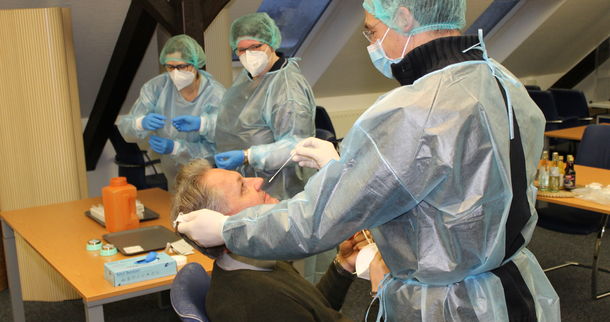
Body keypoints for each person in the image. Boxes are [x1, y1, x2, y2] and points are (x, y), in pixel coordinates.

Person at [177, 1, 561, 321]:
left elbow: (314, 223)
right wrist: (346, 171)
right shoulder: (500, 81)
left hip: (450, 305)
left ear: (405, 17)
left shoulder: (412, 110)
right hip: (508, 286)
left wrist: (229, 229)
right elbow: (459, 193)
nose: (370, 43)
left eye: (372, 30)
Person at [171, 159, 372, 322]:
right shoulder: (255, 303)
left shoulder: (257, 261)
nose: (257, 182)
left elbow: (311, 310)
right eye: (242, 187)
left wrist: (342, 266)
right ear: (217, 220)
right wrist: (380, 291)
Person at [213, 12, 316, 201]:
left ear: (271, 43)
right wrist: (202, 124)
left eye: (255, 46)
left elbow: (296, 145)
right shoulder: (249, 77)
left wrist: (248, 156)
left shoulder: (287, 88)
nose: (248, 54)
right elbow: (237, 118)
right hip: (247, 185)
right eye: (241, 50)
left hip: (281, 189)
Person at [118, 34, 225, 191]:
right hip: (172, 175)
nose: (175, 72)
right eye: (170, 67)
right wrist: (141, 122)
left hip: (206, 178)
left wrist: (177, 148)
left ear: (196, 64)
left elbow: (221, 147)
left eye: (181, 66)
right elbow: (126, 129)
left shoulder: (215, 94)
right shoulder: (157, 88)